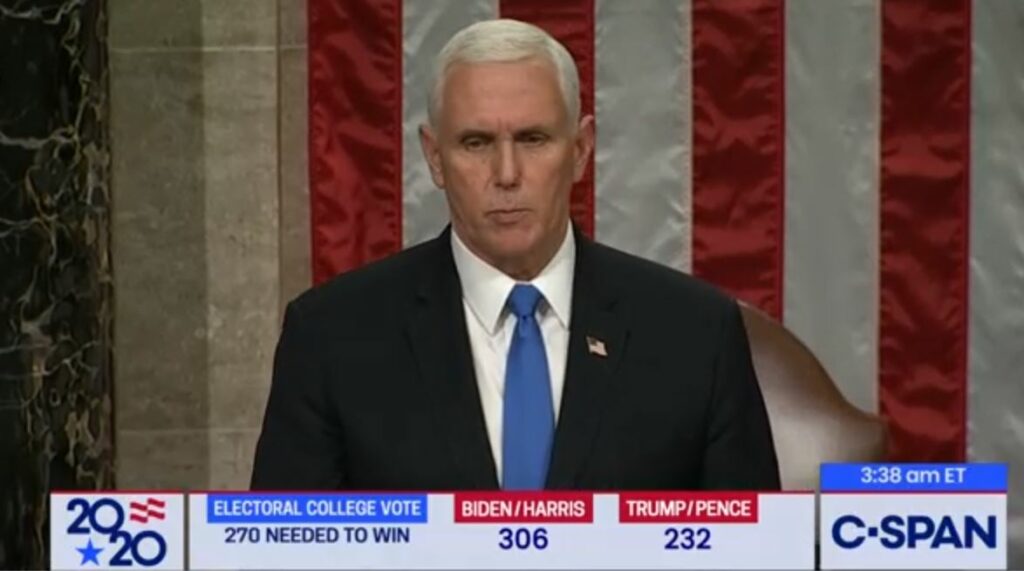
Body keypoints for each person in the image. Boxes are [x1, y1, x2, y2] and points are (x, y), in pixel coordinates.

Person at [251, 19, 780, 491]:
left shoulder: (695, 334)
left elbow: (760, 551)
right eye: (476, 143)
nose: (506, 174)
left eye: (532, 139)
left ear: (580, 150)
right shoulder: (331, 338)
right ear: (435, 159)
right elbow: (282, 550)